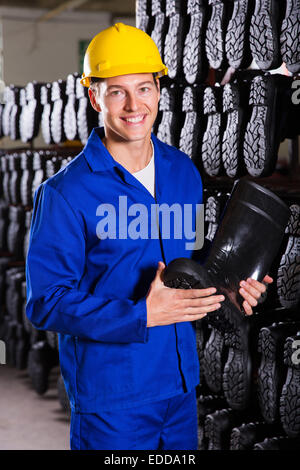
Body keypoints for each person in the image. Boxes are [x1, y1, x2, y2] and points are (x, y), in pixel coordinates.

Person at [25, 23, 272, 451]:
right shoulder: (66, 194)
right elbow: (45, 301)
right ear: (94, 96)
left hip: (179, 385)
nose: (133, 104)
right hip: (112, 396)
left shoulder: (182, 172)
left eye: (143, 87)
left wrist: (234, 286)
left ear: (159, 91)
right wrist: (142, 314)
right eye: (117, 91)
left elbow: (193, 256)